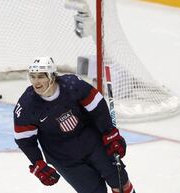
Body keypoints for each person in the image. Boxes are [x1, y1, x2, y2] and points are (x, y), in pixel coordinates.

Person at [13, 57, 136, 193]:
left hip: (92, 141)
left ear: (52, 76)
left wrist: (110, 133)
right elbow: (24, 140)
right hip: (63, 157)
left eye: (41, 76)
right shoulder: (27, 105)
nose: (36, 82)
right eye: (33, 77)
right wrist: (38, 163)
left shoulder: (73, 85)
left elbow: (97, 107)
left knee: (120, 182)